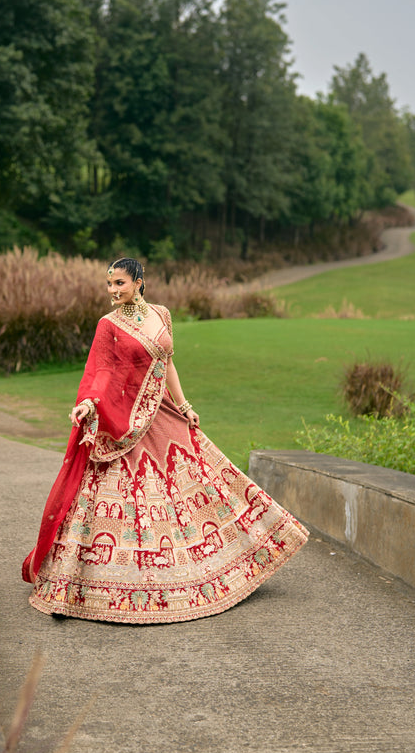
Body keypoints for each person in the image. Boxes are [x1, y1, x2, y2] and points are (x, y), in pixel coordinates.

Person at [22, 258, 308, 623]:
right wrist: (89, 403)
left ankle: (218, 566)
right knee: (131, 495)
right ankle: (104, 585)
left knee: (201, 481)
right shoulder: (107, 324)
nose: (113, 290)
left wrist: (185, 405)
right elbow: (103, 369)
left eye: (120, 283)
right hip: (126, 420)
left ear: (140, 282)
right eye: (109, 284)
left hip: (164, 413)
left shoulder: (162, 315)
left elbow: (168, 362)